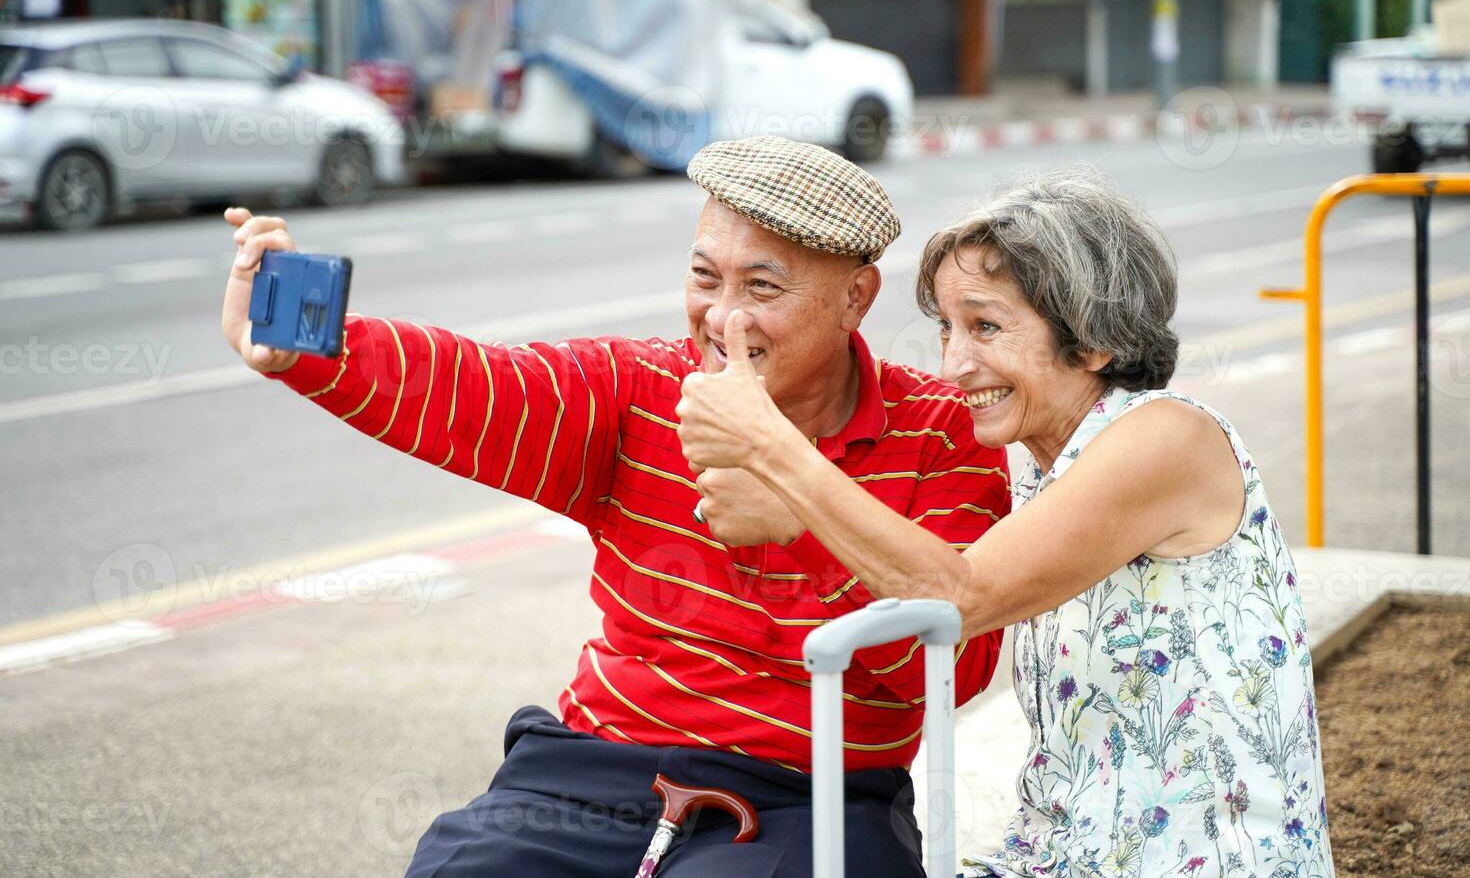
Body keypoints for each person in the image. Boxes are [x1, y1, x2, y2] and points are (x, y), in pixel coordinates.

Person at [219, 136, 1012, 877]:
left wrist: (801, 508)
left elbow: (950, 664)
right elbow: (476, 388)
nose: (721, 317)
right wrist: (314, 351)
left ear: (855, 299)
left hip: (810, 796)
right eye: (705, 279)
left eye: (761, 287)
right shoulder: (640, 391)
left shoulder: (941, 429)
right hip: (596, 763)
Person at [676, 169, 1335, 877]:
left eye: (986, 326)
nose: (956, 365)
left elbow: (959, 598)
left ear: (1092, 339)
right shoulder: (1051, 467)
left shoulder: (1167, 440)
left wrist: (772, 453)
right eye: (947, 329)